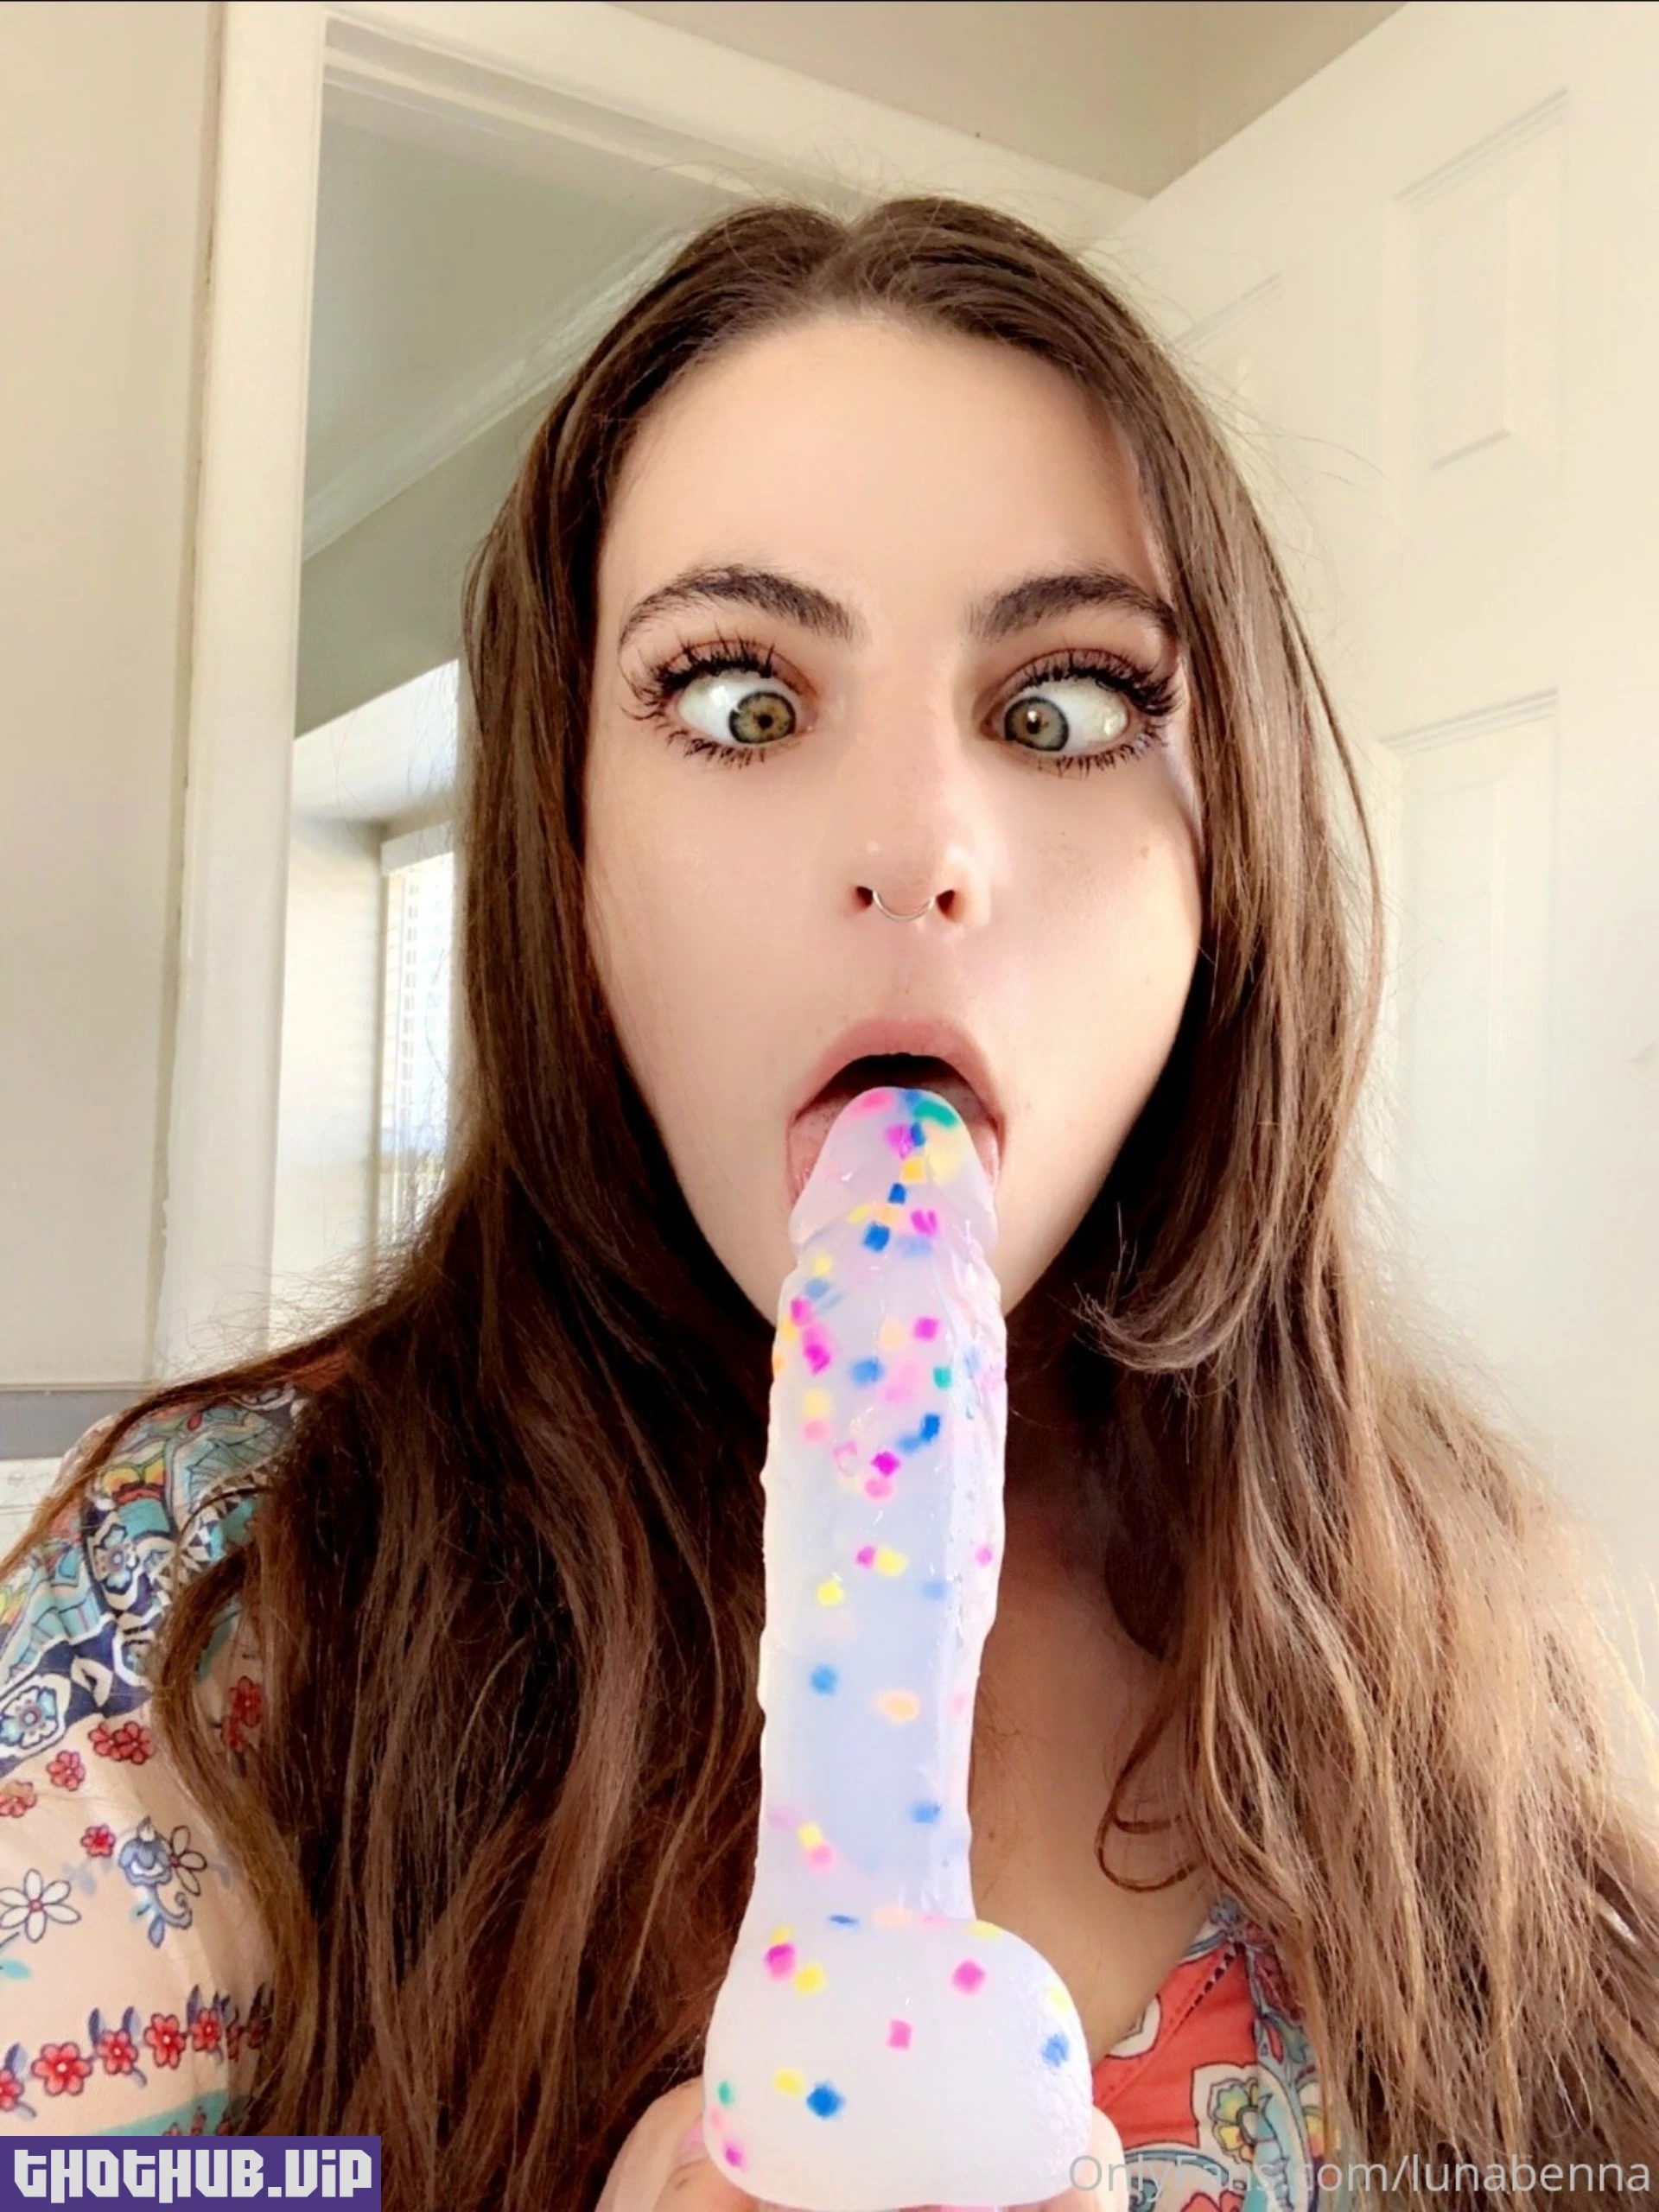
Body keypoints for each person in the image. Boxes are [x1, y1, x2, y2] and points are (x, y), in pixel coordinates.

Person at [2, 195, 1656, 2212]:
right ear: (566, 858)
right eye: (740, 701)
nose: (915, 843)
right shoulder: (219, 1593)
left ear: (1233, 869)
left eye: (1063, 707)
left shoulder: (1467, 1618)